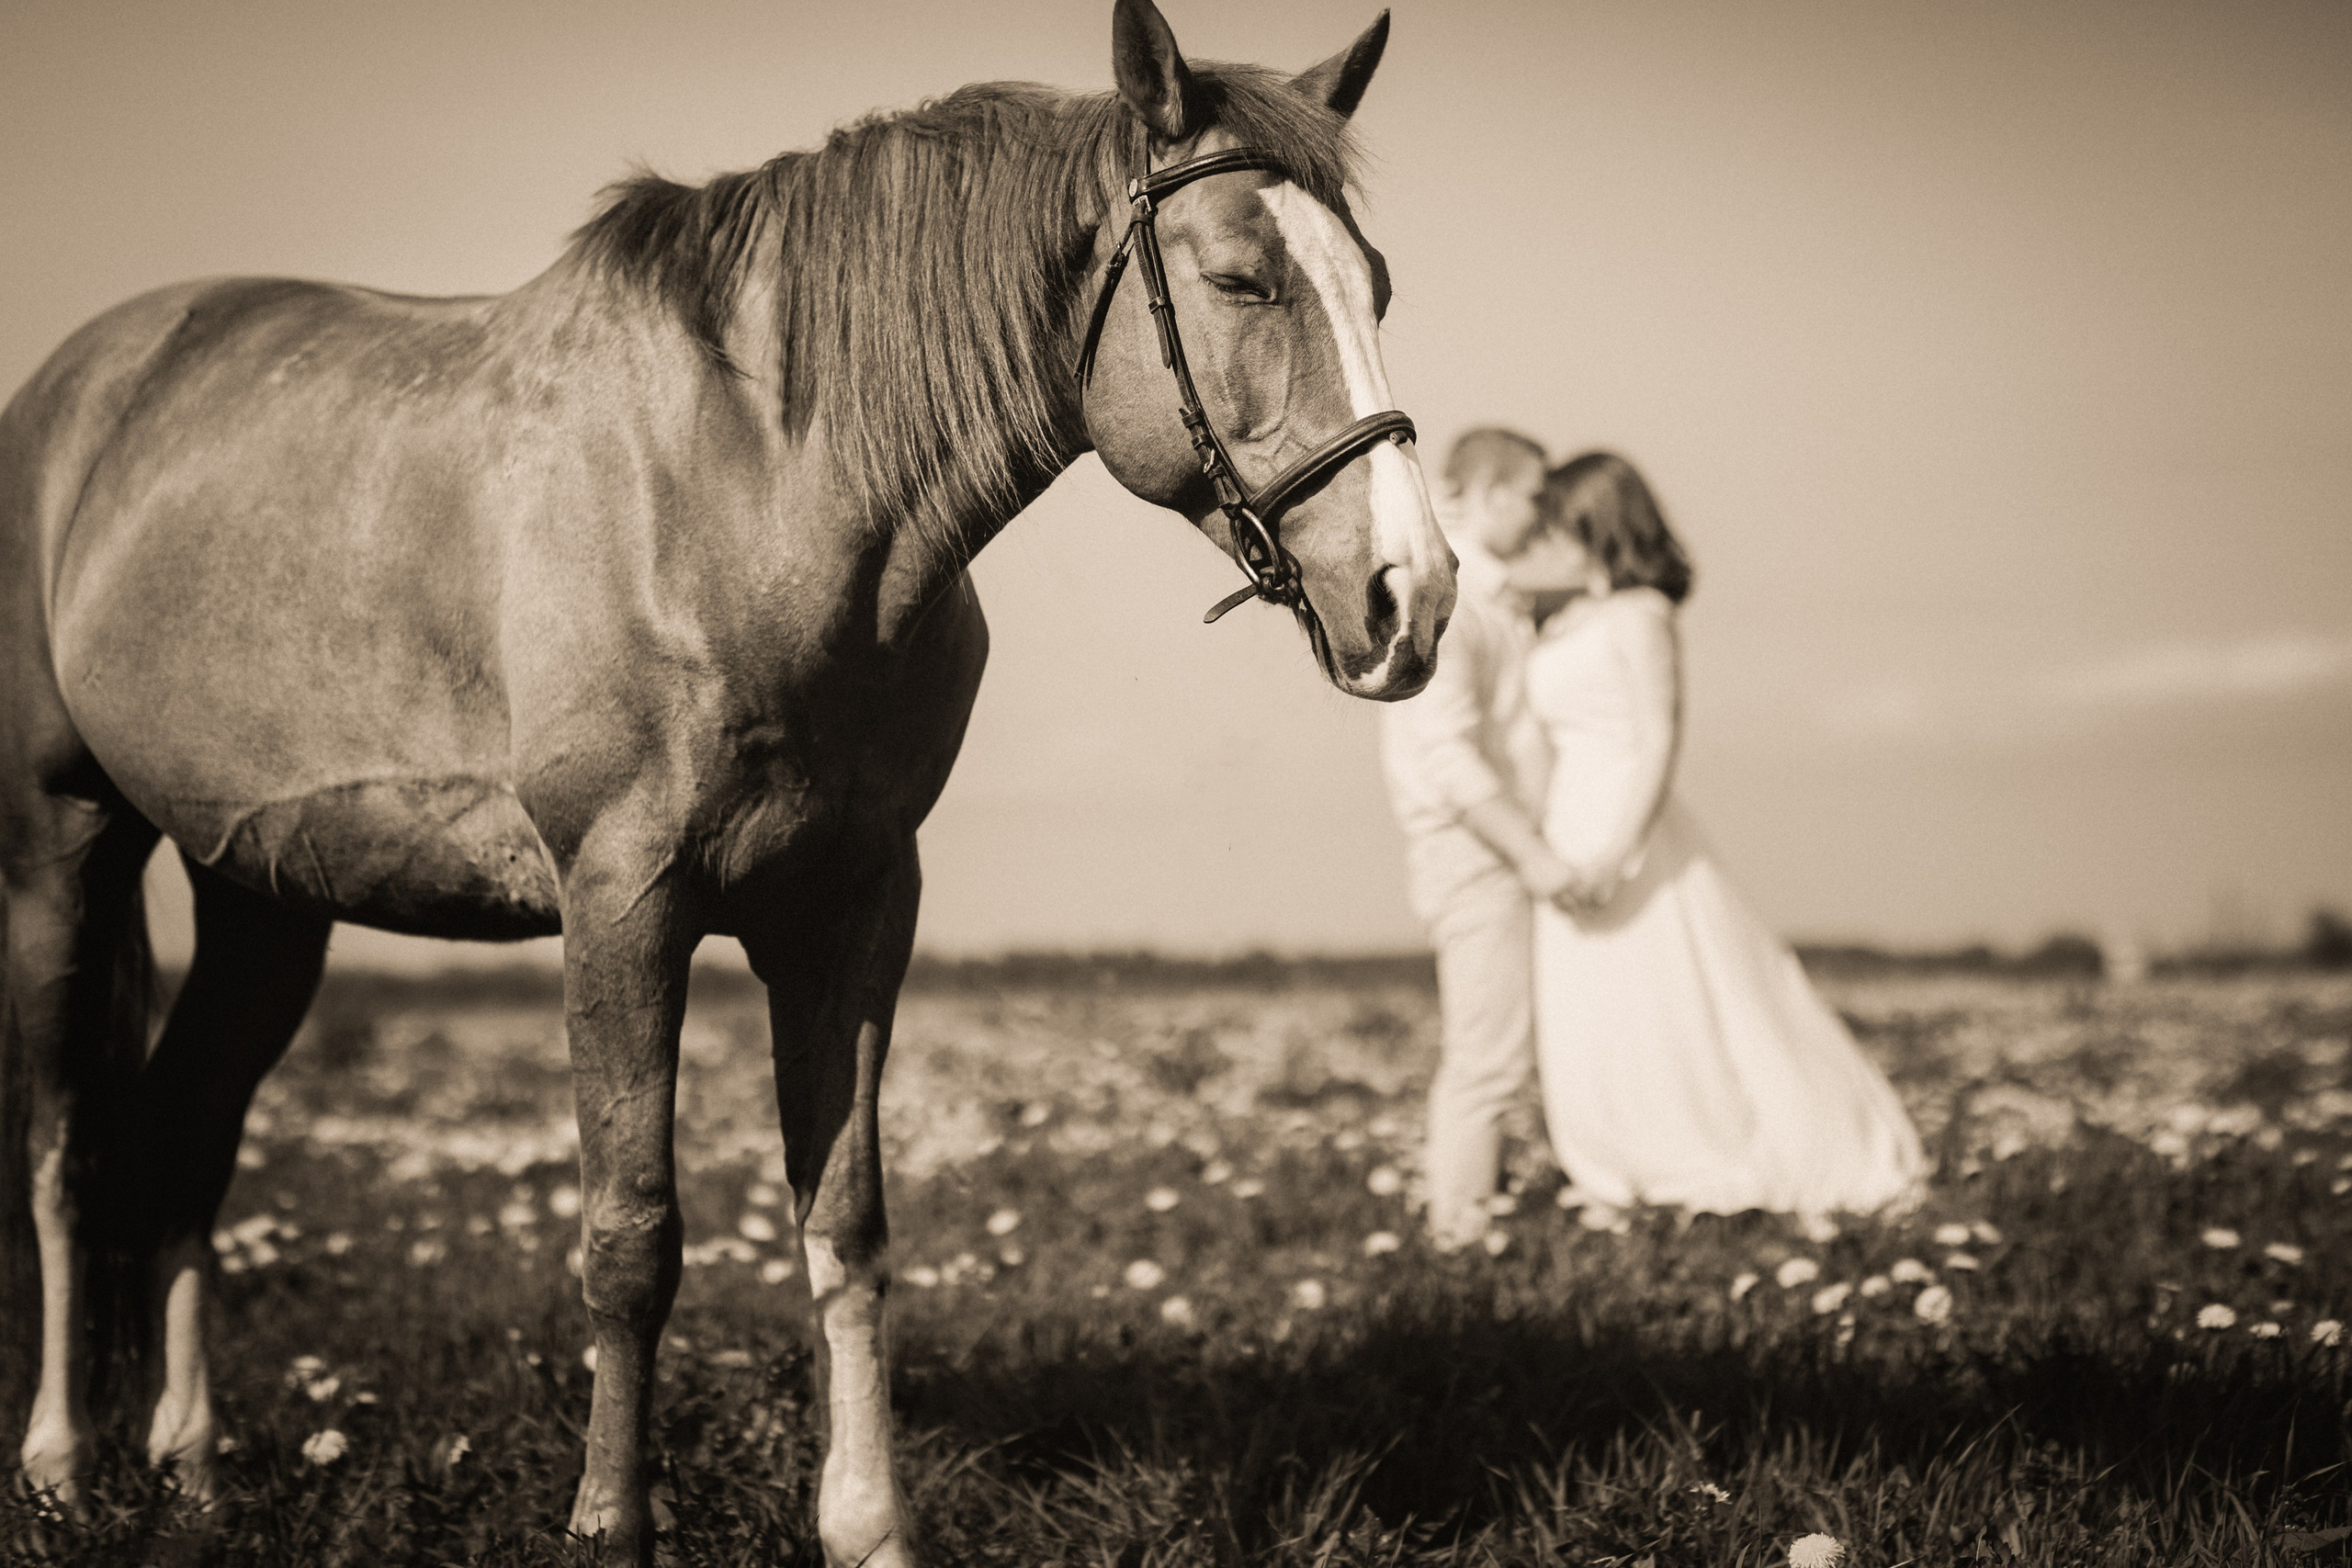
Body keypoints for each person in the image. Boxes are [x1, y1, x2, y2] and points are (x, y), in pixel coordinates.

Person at [1508, 453, 1925, 1223]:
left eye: (1562, 526)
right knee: (1593, 1005)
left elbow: (1660, 739)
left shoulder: (1643, 614)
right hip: (1565, 818)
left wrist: (1615, 851)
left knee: (1672, 995)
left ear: (1598, 524)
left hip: (1627, 825)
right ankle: (1614, 1165)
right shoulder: (1562, 617)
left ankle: (1703, 1155)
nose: (1550, 541)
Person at [1379, 427, 1591, 1250]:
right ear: (1491, 494)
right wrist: (1533, 855)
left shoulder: (1498, 598)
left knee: (1504, 1051)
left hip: (1499, 852)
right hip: (1478, 855)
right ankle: (1459, 1239)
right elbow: (1450, 760)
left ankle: (1477, 1213)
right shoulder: (1455, 606)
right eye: (1535, 495)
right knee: (1488, 1058)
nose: (1544, 513)